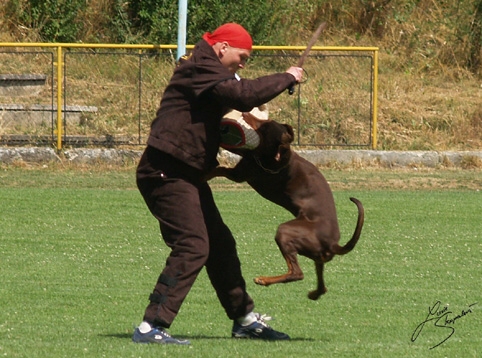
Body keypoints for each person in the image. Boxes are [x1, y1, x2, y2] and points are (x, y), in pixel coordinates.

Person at [133, 22, 303, 345]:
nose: (243, 63)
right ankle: (150, 326)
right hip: (165, 172)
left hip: (186, 173)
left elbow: (240, 99)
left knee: (220, 244)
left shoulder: (210, 71)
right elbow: (244, 94)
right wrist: (287, 77)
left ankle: (244, 320)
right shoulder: (200, 67)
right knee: (193, 244)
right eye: (242, 56)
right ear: (222, 47)